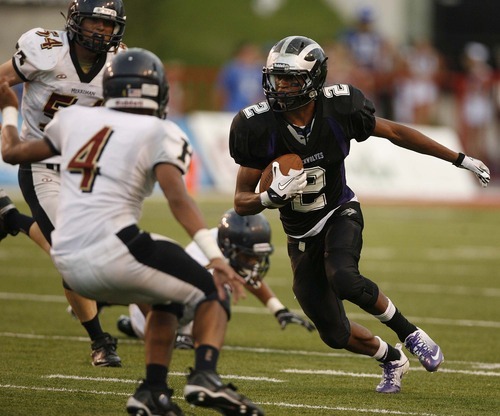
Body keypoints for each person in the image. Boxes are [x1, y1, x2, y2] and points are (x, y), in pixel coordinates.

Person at [0, 47, 264, 416]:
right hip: (115, 248)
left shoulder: (73, 120)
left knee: (166, 298)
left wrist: (10, 105)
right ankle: (204, 376)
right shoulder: (160, 130)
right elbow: (178, 199)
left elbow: (12, 153)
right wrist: (216, 257)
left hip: (69, 264)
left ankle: (152, 391)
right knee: (214, 287)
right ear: (156, 90)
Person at [228, 35, 491, 394]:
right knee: (333, 333)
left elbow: (396, 132)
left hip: (339, 211)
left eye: (291, 78)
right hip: (299, 234)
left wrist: (458, 158)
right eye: (276, 78)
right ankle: (391, 358)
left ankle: (411, 334)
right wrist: (269, 199)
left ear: (314, 79)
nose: (281, 86)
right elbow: (241, 200)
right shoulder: (254, 126)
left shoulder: (342, 107)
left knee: (345, 277)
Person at [0, 0, 128, 367]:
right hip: (40, 162)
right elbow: (1, 80)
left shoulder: (120, 63)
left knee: (101, 250)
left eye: (109, 25)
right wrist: (9, 121)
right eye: (94, 22)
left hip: (87, 168)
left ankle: (12, 220)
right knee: (74, 255)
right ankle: (101, 341)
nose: (101, 31)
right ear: (75, 20)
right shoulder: (47, 51)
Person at [116, 209, 316, 345]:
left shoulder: (223, 242)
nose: (254, 263)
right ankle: (137, 326)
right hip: (158, 315)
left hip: (180, 313)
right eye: (250, 256)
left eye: (257, 257)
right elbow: (144, 290)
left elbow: (244, 273)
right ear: (230, 247)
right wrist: (162, 329)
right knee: (217, 298)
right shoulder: (204, 266)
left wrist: (277, 309)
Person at [215, 41, 265, 113]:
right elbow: (222, 90)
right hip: (234, 110)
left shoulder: (259, 70)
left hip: (255, 111)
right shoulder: (232, 68)